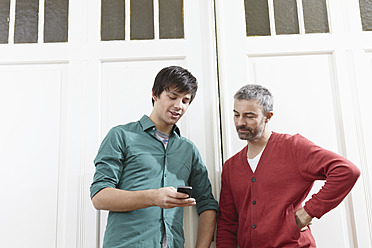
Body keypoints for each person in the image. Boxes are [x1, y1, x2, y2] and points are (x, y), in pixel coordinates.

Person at [216, 84, 360, 247]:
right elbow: (227, 223)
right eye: (236, 115)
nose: (240, 122)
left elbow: (346, 171)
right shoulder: (230, 167)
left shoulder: (293, 147)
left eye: (249, 116)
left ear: (267, 116)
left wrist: (309, 212)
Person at [90, 66, 218, 248]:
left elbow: (207, 204)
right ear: (155, 94)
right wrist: (153, 197)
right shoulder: (121, 136)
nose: (178, 106)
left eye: (185, 101)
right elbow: (100, 197)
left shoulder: (188, 149)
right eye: (172, 97)